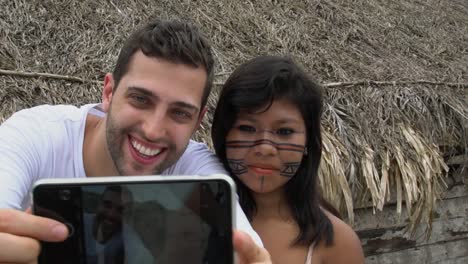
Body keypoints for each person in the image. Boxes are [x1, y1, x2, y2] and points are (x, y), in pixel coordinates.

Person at [0, 19, 271, 263]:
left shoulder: (197, 171)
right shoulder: (35, 135)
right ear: (109, 92)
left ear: (198, 121)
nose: (153, 131)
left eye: (179, 112)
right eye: (140, 99)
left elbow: (245, 247)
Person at [211, 55, 365, 264]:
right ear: (224, 134)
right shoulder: (197, 220)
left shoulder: (337, 243)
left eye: (284, 131)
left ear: (307, 144)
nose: (265, 148)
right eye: (247, 128)